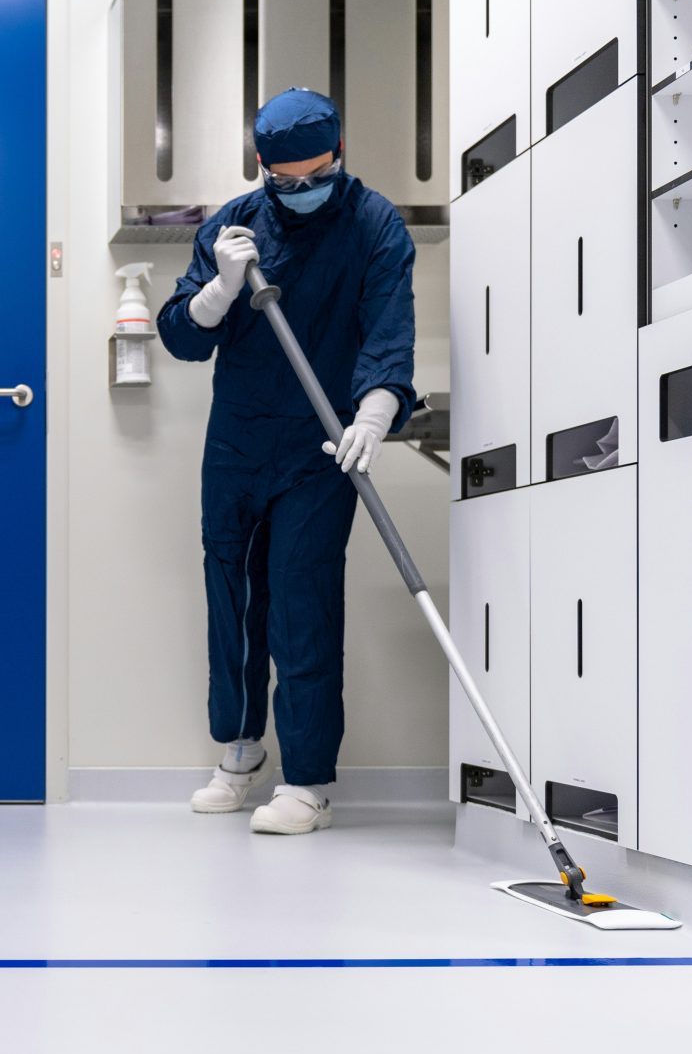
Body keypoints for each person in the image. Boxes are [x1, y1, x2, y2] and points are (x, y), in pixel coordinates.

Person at [156, 87, 417, 835]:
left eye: (316, 176)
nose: (302, 192)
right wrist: (218, 290)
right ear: (264, 169)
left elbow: (388, 331)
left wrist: (376, 409)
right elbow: (181, 336)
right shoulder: (232, 228)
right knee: (232, 595)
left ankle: (306, 783)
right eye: (285, 181)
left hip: (320, 445)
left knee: (301, 601)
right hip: (237, 441)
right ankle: (239, 753)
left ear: (340, 153)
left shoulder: (374, 226)